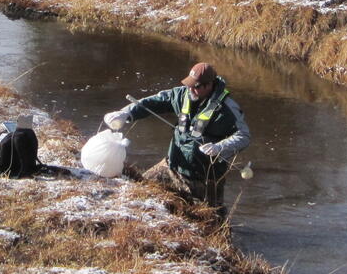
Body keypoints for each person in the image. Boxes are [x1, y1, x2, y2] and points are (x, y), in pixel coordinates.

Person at [103, 61, 251, 211]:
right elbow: (153, 102)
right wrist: (127, 113)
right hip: (172, 165)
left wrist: (220, 147)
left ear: (209, 85)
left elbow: (243, 136)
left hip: (203, 179)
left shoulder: (227, 109)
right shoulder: (182, 94)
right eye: (189, 84)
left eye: (196, 86)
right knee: (141, 188)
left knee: (210, 218)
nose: (190, 89)